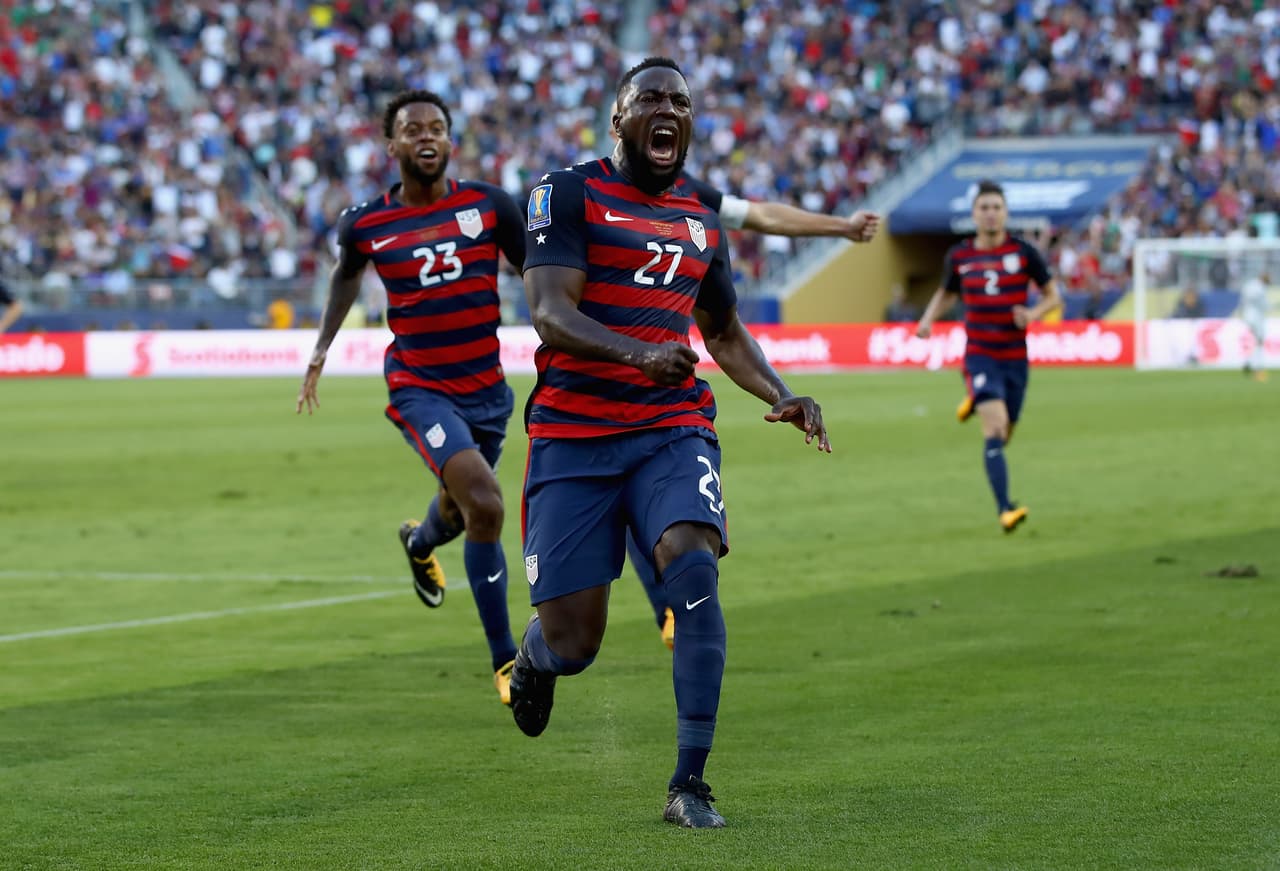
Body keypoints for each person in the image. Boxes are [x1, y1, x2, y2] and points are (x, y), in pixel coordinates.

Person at [511, 57, 831, 829]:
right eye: (649, 97)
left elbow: (720, 328)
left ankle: (690, 783)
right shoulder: (566, 192)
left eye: (680, 101)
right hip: (573, 437)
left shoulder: (698, 218)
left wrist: (781, 392)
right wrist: (637, 352)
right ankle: (536, 655)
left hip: (669, 429)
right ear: (618, 118)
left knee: (693, 568)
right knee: (575, 640)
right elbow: (550, 313)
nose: (667, 109)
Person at [295, 90, 527, 705]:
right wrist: (319, 351)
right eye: (412, 128)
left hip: (487, 391)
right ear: (391, 145)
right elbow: (345, 279)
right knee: (487, 503)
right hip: (420, 387)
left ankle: (420, 542)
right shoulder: (366, 223)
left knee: (459, 510)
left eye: (437, 128)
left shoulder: (490, 206)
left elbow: (542, 274)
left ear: (450, 141)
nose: (426, 136)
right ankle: (508, 663)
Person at [625, 177, 879, 650]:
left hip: (666, 402)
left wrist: (841, 226)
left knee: (664, 513)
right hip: (587, 403)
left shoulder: (689, 196)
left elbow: (761, 215)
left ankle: (670, 610)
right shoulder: (583, 195)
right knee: (572, 628)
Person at [914, 180, 1062, 533]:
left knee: (1005, 433)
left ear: (1005, 213)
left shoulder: (1025, 253)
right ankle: (1005, 509)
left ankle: (975, 399)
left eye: (997, 207)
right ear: (974, 213)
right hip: (980, 353)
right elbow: (946, 293)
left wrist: (1033, 314)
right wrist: (927, 320)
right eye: (985, 207)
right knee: (993, 429)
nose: (991, 213)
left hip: (1015, 356)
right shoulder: (961, 256)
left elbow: (1053, 297)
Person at [1241, 271, 1270, 381]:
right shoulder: (1260, 288)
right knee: (1259, 342)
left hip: (1247, 316)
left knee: (1255, 342)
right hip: (1256, 318)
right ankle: (1257, 369)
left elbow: (1243, 299)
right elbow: (1263, 304)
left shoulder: (1250, 284)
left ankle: (1249, 361)